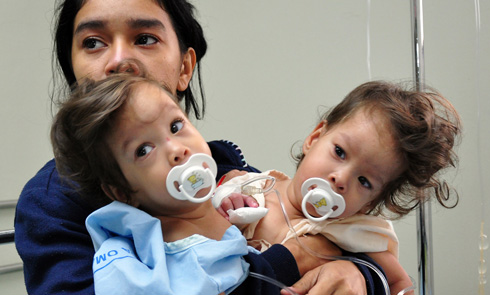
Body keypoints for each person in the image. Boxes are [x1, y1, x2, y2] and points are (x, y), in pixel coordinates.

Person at [14, 1, 382, 294]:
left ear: (184, 68)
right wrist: (292, 260)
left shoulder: (226, 171)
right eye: (92, 42)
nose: (118, 62)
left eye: (144, 38)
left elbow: (347, 239)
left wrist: (359, 274)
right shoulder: (51, 204)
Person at [216, 81, 462, 295]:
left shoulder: (349, 229)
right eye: (340, 152)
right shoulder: (252, 186)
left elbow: (400, 283)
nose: (341, 178)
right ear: (314, 139)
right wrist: (227, 204)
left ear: (370, 204)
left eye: (364, 181)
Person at [52, 75, 254, 294]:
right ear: (122, 192)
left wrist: (233, 210)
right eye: (144, 150)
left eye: (175, 126)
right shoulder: (176, 255)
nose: (176, 149)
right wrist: (284, 259)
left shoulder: (218, 199)